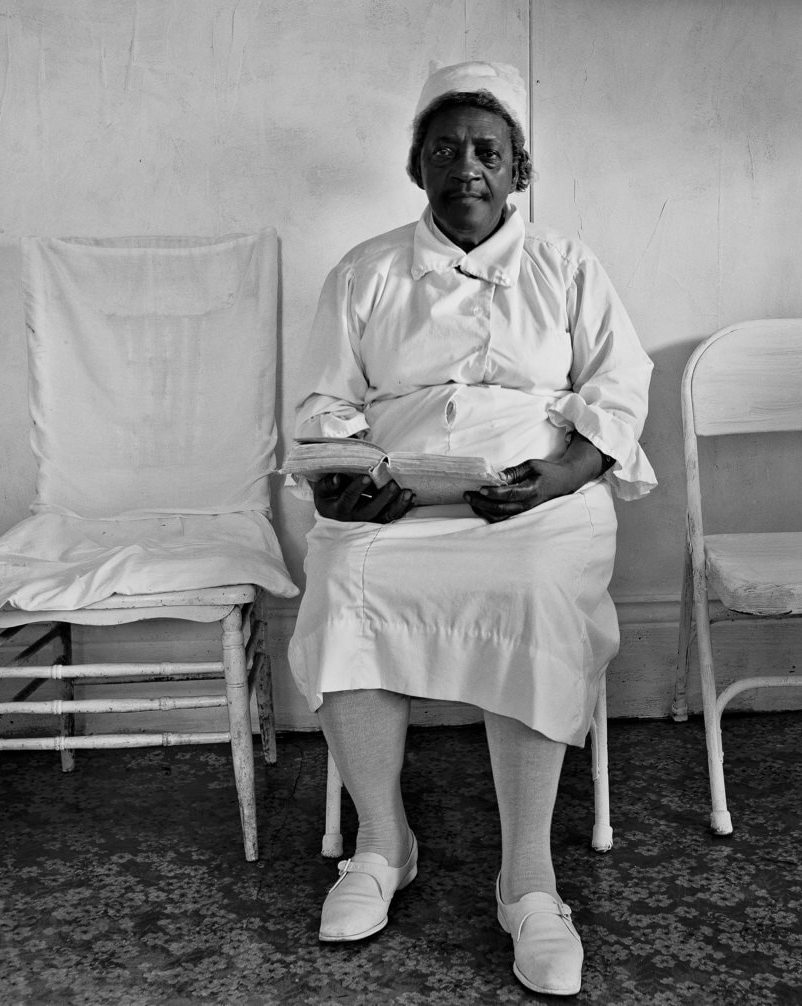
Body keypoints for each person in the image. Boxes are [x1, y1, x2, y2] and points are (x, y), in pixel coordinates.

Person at [288, 61, 656, 997]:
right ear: (416, 166)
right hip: (398, 499)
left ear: (518, 170)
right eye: (444, 149)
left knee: (530, 591)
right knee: (343, 581)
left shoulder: (568, 267)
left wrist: (561, 475)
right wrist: (347, 486)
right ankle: (382, 844)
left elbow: (617, 391)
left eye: (487, 151)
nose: (467, 167)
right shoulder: (367, 270)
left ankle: (527, 879)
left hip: (538, 499)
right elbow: (327, 405)